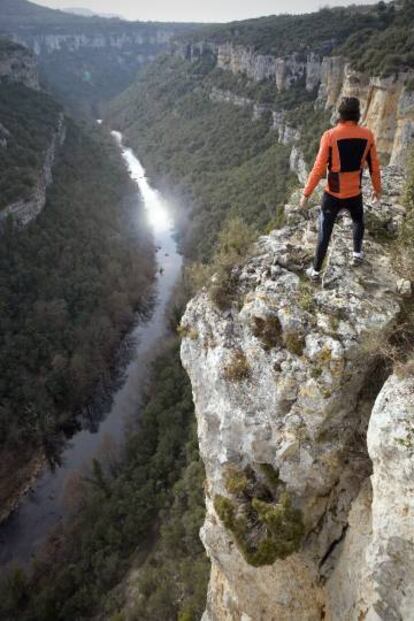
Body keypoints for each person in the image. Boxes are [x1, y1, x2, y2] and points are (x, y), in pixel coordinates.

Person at [300, 96, 382, 282]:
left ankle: (315, 271)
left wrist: (306, 194)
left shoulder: (330, 136)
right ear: (358, 114)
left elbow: (319, 168)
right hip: (355, 192)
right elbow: (374, 166)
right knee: (358, 220)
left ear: (340, 114)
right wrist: (377, 190)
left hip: (333, 194)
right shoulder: (367, 135)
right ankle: (357, 254)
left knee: (325, 229)